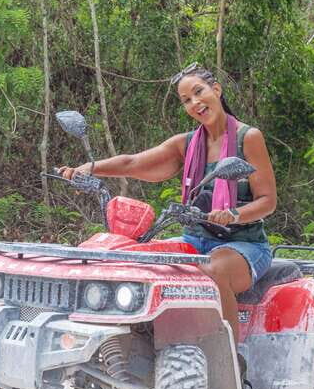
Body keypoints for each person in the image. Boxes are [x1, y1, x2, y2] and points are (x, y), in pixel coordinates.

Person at [59, 64, 277, 343]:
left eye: (199, 92)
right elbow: (133, 162)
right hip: (195, 239)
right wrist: (89, 168)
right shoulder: (185, 145)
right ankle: (141, 345)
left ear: (217, 90)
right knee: (139, 260)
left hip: (243, 244)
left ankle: (228, 357)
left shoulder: (247, 137)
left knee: (214, 270)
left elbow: (267, 201)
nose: (195, 102)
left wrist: (233, 214)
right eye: (186, 100)